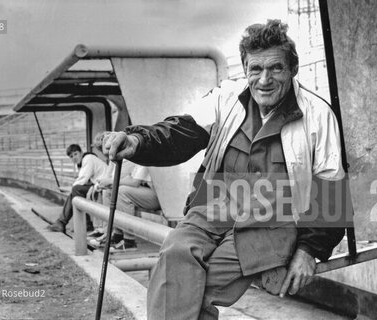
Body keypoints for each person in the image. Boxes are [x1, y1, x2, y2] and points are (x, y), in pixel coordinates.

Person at [102, 19, 348, 320]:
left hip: (269, 224)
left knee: (191, 293)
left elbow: (332, 188)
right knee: (173, 255)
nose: (264, 79)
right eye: (255, 69)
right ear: (245, 69)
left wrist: (309, 250)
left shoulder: (318, 114)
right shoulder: (227, 97)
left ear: (292, 69)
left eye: (276, 68)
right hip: (213, 209)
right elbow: (180, 132)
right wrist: (138, 141)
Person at [90, 164, 161, 251]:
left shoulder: (147, 154)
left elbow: (135, 182)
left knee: (122, 191)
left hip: (160, 197)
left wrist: (112, 181)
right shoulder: (138, 157)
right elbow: (130, 177)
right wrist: (110, 183)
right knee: (110, 190)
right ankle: (117, 235)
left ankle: (129, 242)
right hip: (148, 191)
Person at [48, 142, 107, 233]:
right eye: (71, 156)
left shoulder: (88, 158)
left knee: (75, 190)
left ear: (81, 152)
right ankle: (65, 222)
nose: (74, 157)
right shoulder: (81, 162)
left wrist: (72, 188)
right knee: (75, 191)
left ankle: (63, 222)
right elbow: (82, 180)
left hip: (106, 186)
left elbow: (83, 179)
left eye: (75, 154)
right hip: (98, 185)